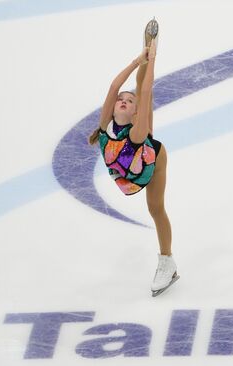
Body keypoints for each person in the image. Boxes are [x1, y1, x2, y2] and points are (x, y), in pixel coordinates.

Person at [88, 18, 179, 297]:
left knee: (155, 209)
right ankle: (146, 48)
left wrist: (153, 59)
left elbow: (147, 91)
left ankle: (167, 262)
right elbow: (114, 87)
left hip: (151, 160)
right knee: (140, 89)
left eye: (129, 101)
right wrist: (136, 60)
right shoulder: (105, 129)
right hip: (133, 158)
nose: (122, 100)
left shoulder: (138, 131)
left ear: (134, 113)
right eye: (121, 101)